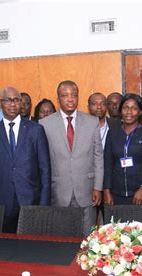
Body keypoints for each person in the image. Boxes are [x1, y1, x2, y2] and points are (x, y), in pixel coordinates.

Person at [0, 87, 51, 233]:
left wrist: (44, 203)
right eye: (8, 100)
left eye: (16, 100)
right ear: (1, 103)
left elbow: (45, 169)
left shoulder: (35, 130)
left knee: (32, 247)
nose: (12, 104)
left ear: (20, 103)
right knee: (6, 249)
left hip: (31, 199)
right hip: (3, 202)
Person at [40, 80, 103, 211]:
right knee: (61, 231)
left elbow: (98, 157)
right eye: (65, 95)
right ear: (58, 99)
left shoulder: (92, 122)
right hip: (58, 193)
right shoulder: (44, 124)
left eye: (74, 95)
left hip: (87, 192)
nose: (70, 99)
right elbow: (42, 162)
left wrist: (98, 187)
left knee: (88, 231)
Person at [103, 94, 142, 206]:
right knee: (118, 224)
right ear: (121, 110)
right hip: (117, 195)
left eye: (134, 108)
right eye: (126, 107)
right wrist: (107, 191)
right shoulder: (113, 133)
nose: (129, 112)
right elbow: (107, 163)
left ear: (140, 112)